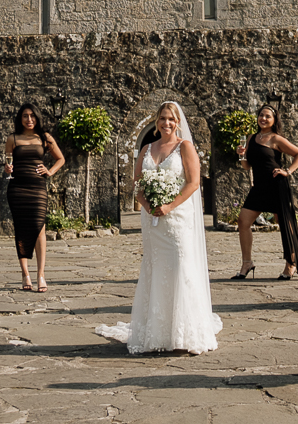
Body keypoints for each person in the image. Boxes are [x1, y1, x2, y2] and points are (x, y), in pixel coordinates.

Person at [94, 102, 222, 354]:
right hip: (152, 219)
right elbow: (137, 184)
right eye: (162, 118)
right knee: (155, 268)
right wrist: (147, 204)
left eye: (171, 119)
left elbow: (194, 183)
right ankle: (157, 329)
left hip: (176, 218)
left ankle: (183, 331)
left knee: (179, 265)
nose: (167, 123)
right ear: (156, 121)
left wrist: (169, 205)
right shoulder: (146, 149)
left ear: (178, 122)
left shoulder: (185, 147)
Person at [230, 102, 298, 281]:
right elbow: (246, 166)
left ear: (274, 120)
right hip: (258, 188)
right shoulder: (251, 138)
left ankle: (291, 264)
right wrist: (241, 155)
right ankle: (247, 263)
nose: (263, 119)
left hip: (276, 185)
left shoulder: (276, 139)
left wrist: (287, 171)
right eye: (261, 115)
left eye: (268, 116)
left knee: (284, 224)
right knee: (243, 221)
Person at [5, 103, 66, 292]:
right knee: (21, 228)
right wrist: (7, 168)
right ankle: (25, 274)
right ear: (20, 118)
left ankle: (41, 275)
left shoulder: (45, 137)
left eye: (32, 116)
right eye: (25, 116)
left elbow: (61, 158)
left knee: (40, 228)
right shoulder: (12, 139)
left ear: (37, 118)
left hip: (38, 187)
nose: (29, 119)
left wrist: (50, 171)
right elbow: (7, 164)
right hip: (17, 188)